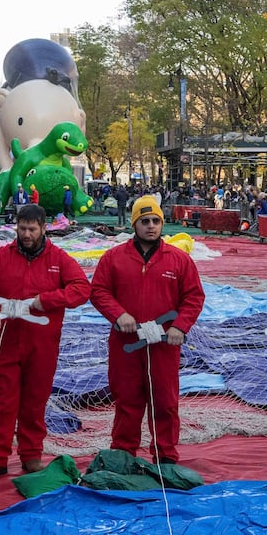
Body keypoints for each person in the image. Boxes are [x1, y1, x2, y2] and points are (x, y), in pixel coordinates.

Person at [0, 203, 91, 479]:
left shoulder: (58, 259)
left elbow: (82, 289)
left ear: (44, 228)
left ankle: (31, 455)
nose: (26, 234)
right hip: (5, 341)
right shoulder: (2, 256)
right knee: (0, 401)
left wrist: (45, 301)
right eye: (21, 229)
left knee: (35, 401)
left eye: (31, 229)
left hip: (42, 344)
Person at [89, 196, 206, 464]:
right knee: (127, 399)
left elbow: (193, 297)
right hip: (126, 344)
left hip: (164, 345)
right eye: (145, 221)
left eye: (155, 221)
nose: (151, 226)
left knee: (164, 401)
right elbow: (98, 291)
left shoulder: (178, 260)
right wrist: (119, 314)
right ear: (135, 224)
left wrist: (180, 326)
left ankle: (165, 456)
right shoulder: (114, 258)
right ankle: (123, 453)